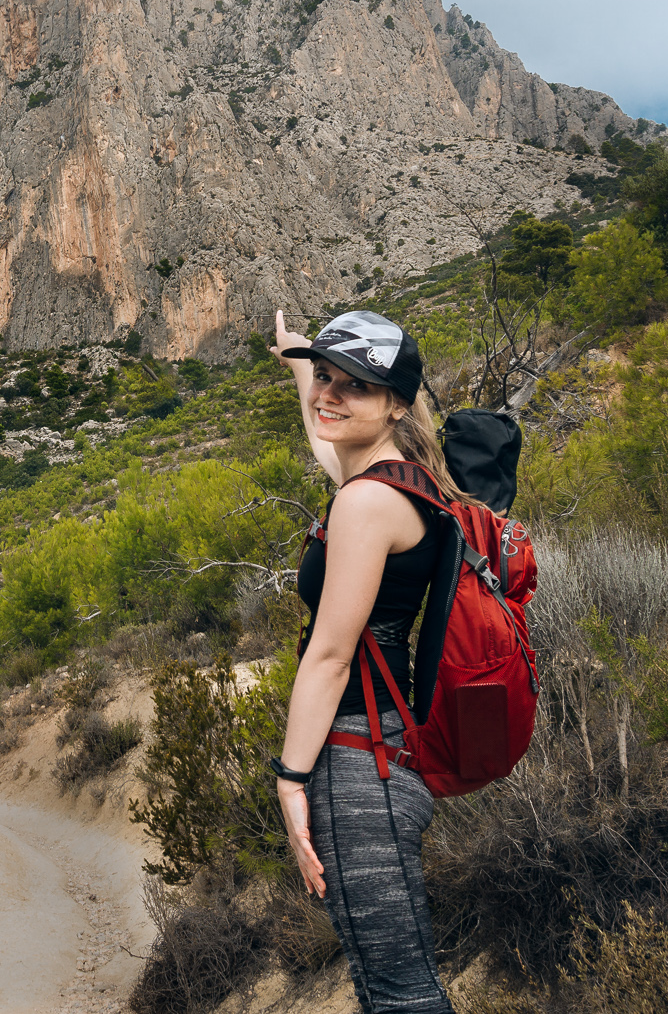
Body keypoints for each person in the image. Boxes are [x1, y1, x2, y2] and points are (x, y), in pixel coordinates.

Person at [269, 307, 474, 1014]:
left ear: (394, 403)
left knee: (399, 990)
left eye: (351, 384)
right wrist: (301, 359)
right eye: (327, 377)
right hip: (383, 745)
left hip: (360, 760)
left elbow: (329, 656)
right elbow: (327, 436)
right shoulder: (399, 478)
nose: (329, 394)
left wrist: (290, 779)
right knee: (387, 979)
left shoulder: (364, 502)